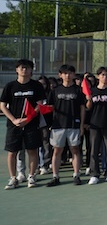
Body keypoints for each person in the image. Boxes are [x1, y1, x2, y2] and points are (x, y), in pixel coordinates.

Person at [1, 59, 46, 189]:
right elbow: (2, 105)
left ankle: (31, 177)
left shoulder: (36, 86)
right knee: (12, 152)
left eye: (27, 68)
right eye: (21, 67)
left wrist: (28, 119)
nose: (24, 70)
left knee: (32, 150)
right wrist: (13, 120)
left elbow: (40, 104)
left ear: (31, 70)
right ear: (17, 70)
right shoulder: (10, 86)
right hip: (14, 125)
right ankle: (13, 178)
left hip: (31, 124)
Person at [46, 65, 86, 186]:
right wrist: (49, 123)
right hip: (58, 126)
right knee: (57, 150)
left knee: (75, 150)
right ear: (60, 75)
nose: (67, 75)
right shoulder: (55, 90)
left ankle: (76, 175)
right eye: (64, 73)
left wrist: (81, 125)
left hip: (74, 125)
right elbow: (49, 108)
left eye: (70, 73)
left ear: (74, 75)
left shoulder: (78, 90)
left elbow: (82, 108)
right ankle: (55, 176)